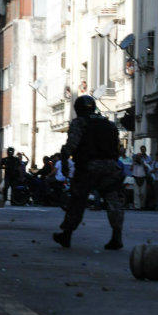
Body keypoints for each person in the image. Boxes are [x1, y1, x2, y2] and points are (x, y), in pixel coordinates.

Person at [53, 95, 125, 250]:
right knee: (113, 201)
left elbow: (72, 144)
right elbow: (117, 148)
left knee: (77, 200)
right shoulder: (109, 124)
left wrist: (65, 159)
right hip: (111, 167)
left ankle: (66, 235)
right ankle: (116, 236)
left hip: (89, 167)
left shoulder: (80, 123)